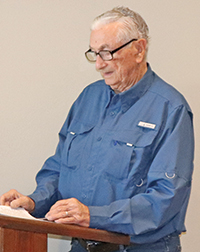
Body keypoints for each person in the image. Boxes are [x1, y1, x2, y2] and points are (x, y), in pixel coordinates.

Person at [0, 6, 194, 252]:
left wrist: (93, 215)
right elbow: (58, 169)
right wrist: (32, 202)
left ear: (139, 49)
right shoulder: (88, 98)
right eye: (94, 53)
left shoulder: (170, 109)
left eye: (107, 53)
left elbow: (166, 199)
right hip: (81, 246)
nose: (99, 65)